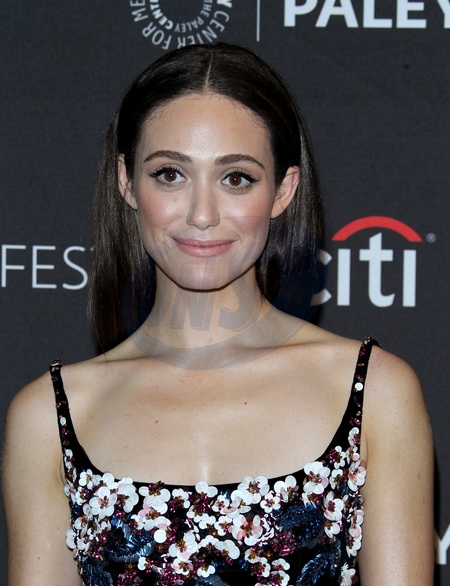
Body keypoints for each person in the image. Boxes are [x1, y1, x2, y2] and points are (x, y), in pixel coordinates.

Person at [3, 43, 434, 585]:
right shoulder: (48, 416)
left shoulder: (376, 395)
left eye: (236, 178)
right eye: (170, 174)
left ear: (283, 190)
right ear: (126, 181)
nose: (202, 214)